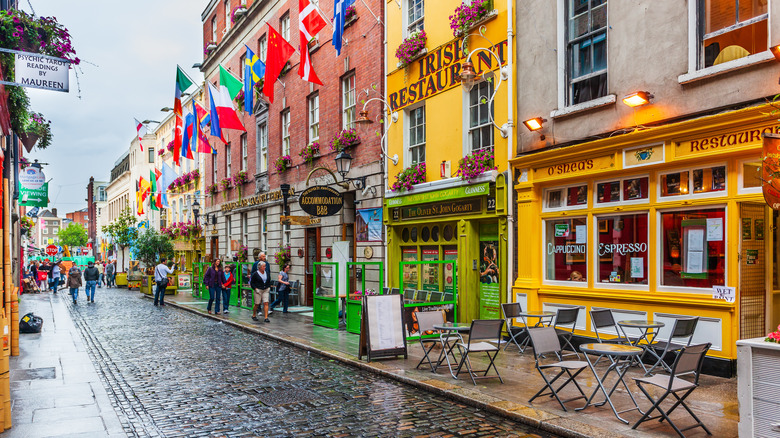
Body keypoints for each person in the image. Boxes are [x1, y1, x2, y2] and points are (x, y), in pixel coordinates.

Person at [250, 256, 271, 322]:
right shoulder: (255, 274)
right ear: (259, 267)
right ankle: (254, 315)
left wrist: (268, 287)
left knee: (266, 303)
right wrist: (255, 288)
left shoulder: (266, 273)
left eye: (265, 266)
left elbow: (269, 280)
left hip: (265, 289)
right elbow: (252, 282)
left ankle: (266, 317)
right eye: (263, 266)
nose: (265, 268)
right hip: (258, 290)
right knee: (257, 303)